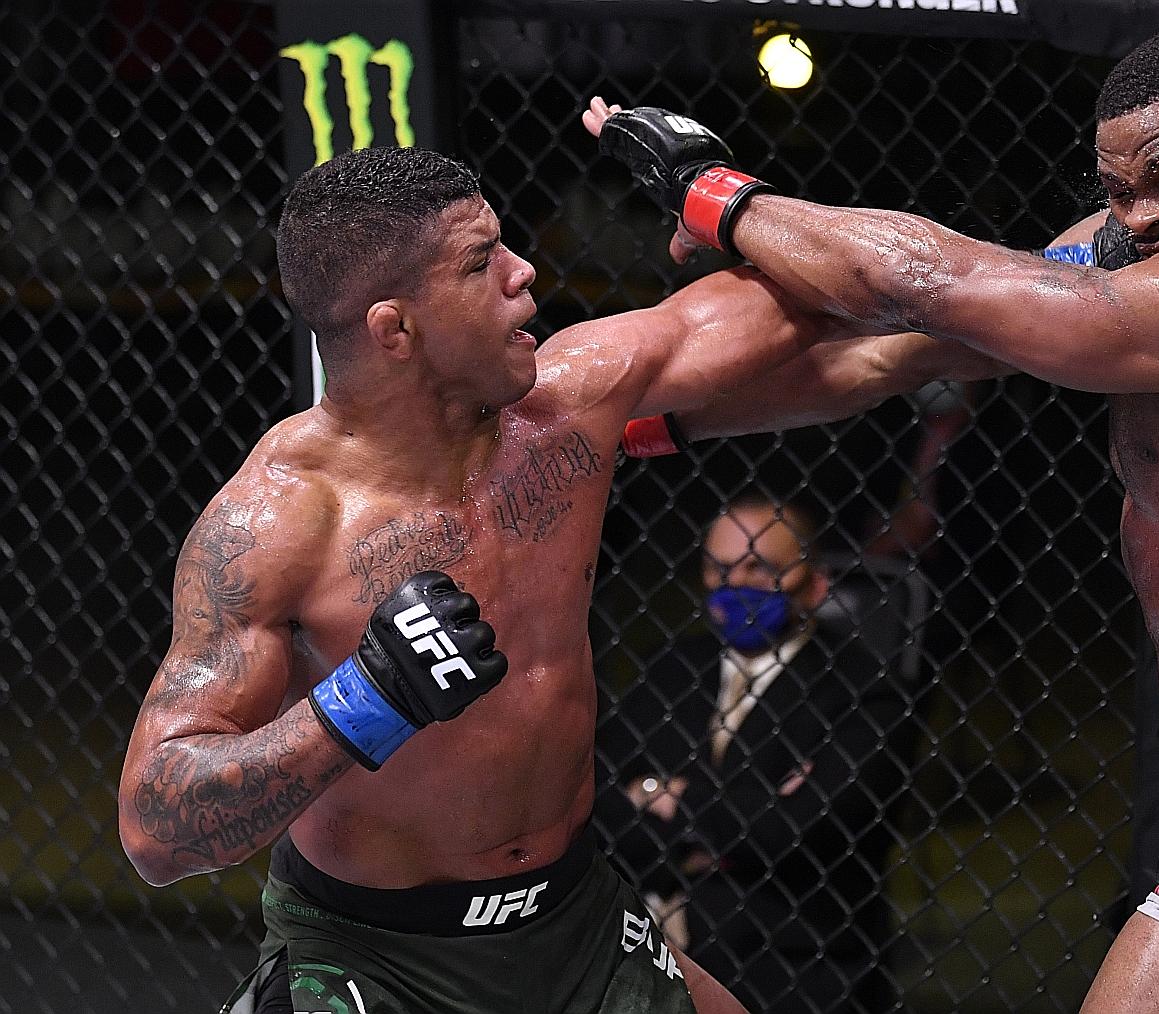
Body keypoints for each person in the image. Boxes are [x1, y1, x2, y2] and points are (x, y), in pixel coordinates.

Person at [589, 21, 1159, 1014]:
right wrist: (641, 424)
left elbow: (926, 278)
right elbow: (887, 348)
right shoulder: (1145, 255)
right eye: (1119, 189)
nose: (1145, 216)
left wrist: (716, 194)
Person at [115, 144, 869, 1014]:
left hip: (578, 918)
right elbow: (155, 831)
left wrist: (722, 198)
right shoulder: (275, 526)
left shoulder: (566, 409)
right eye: (482, 262)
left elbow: (862, 313)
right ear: (395, 329)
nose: (525, 272)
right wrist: (366, 700)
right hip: (378, 953)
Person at [593, 491, 912, 1014]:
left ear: (815, 584)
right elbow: (600, 806)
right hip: (647, 944)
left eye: (759, 568)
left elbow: (796, 833)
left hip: (796, 960)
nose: (735, 585)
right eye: (719, 568)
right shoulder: (670, 669)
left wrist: (665, 795)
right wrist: (738, 814)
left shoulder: (863, 691)